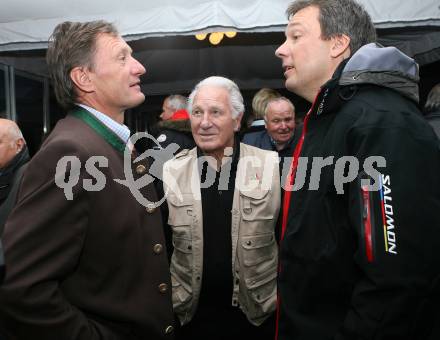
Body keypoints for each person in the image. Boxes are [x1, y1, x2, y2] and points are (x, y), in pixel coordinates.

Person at [274, 1, 440, 340]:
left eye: (295, 37)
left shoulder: (382, 123)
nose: (280, 49)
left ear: (338, 43)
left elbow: (396, 279)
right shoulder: (323, 122)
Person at [0, 20, 175, 339]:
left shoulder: (110, 142)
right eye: (122, 58)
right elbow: (23, 289)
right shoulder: (69, 152)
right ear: (83, 78)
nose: (139, 67)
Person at [162, 76, 280, 340]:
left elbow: (290, 244)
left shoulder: (271, 167)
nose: (204, 123)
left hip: (255, 320)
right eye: (197, 113)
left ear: (237, 120)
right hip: (190, 319)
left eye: (216, 112)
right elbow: (161, 248)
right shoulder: (170, 172)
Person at [242, 97, 301, 173]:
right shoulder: (251, 143)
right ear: (266, 124)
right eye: (276, 121)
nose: (283, 126)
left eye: (288, 120)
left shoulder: (306, 142)